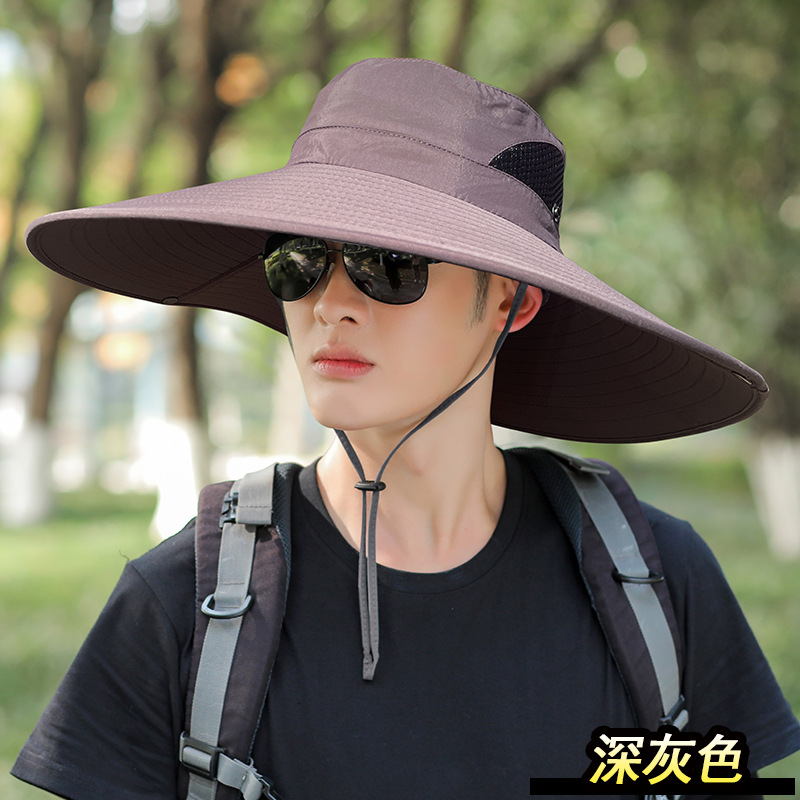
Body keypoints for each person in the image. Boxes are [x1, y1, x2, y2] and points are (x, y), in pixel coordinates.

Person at [12, 57, 800, 800]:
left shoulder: (658, 587)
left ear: (511, 301)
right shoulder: (180, 608)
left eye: (387, 263)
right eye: (298, 259)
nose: (330, 304)